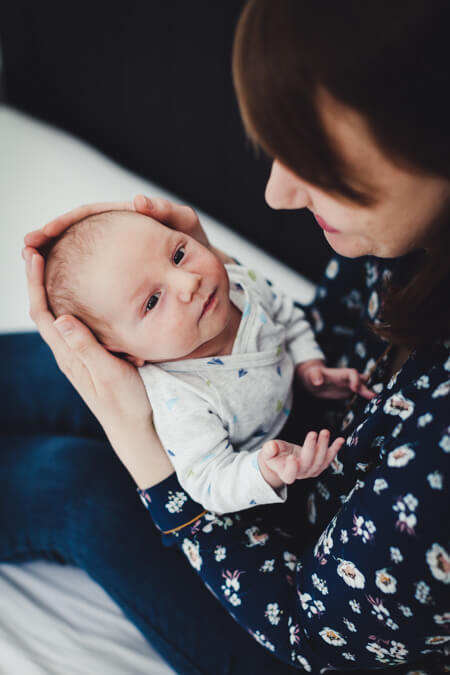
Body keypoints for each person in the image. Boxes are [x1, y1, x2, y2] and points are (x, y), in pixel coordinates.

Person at [3, 0, 449, 672]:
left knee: (81, 489)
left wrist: (139, 444)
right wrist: (214, 302)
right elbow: (317, 324)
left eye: (316, 161)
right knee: (58, 365)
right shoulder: (406, 238)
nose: (276, 192)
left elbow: (306, 625)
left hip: (299, 628)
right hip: (285, 436)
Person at [44, 209, 372, 512]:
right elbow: (208, 481)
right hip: (252, 470)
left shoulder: (241, 286)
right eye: (152, 301)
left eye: (178, 254)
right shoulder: (180, 398)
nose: (188, 283)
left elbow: (287, 317)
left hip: (297, 413)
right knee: (72, 466)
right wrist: (264, 471)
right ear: (129, 355)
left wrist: (308, 364)